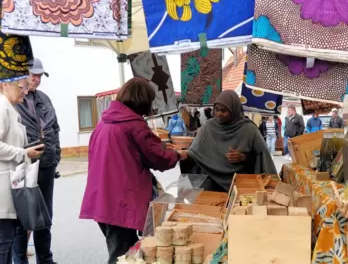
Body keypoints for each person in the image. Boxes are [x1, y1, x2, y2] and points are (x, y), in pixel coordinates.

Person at [79, 78, 187, 264]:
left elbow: (128, 151)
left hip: (101, 199)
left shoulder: (104, 123)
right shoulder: (134, 125)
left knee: (122, 250)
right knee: (124, 256)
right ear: (144, 101)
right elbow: (158, 159)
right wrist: (177, 155)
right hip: (121, 202)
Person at [177, 90, 277, 192]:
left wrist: (244, 157)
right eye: (216, 109)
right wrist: (183, 154)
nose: (219, 113)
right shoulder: (208, 126)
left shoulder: (249, 129)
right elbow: (194, 153)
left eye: (224, 110)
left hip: (239, 185)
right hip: (211, 184)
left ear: (233, 110)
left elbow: (261, 160)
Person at [0, 41, 44, 264]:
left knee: (5, 247)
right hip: (2, 194)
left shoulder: (10, 108)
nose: (24, 92)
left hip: (11, 189)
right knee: (3, 248)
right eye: (21, 87)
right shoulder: (1, 107)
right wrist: (24, 153)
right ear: (5, 85)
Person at [13, 58, 60, 264]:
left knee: (44, 216)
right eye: (33, 75)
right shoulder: (12, 100)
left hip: (47, 164)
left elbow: (55, 128)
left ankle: (45, 259)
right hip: (23, 166)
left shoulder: (44, 99)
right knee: (23, 217)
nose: (37, 79)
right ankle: (20, 260)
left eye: (40, 76)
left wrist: (56, 154)